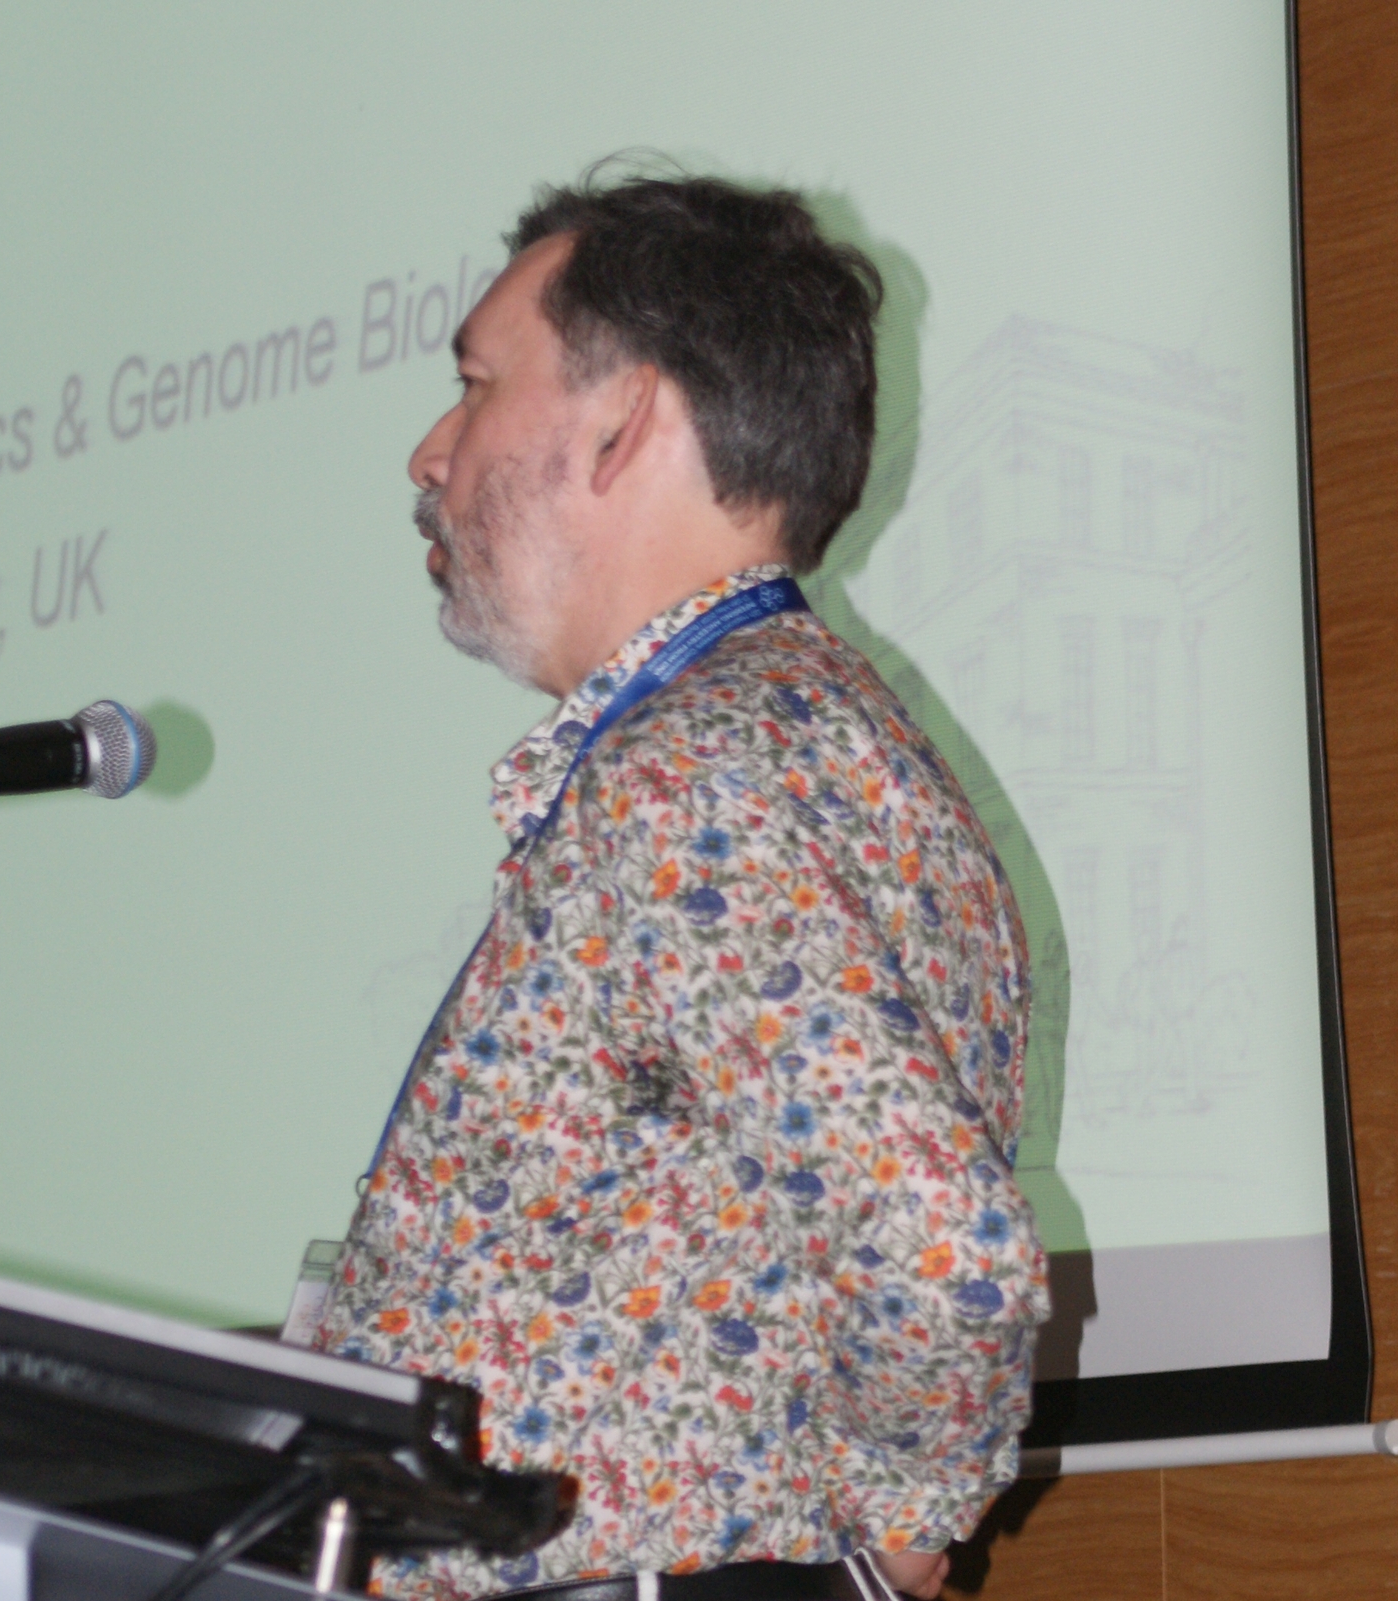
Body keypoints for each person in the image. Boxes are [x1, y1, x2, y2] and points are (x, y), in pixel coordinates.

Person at [315, 171, 1048, 1601]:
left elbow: (949, 1249)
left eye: (474, 386)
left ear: (624, 422)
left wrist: (899, 1531)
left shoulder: (688, 774)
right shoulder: (822, 738)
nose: (430, 451)